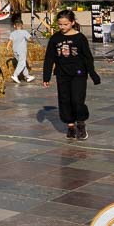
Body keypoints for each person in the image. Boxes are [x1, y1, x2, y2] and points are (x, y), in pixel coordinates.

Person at [43, 9, 100, 140]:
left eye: (65, 24)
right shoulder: (55, 38)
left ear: (72, 23)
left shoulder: (80, 38)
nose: (62, 27)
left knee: (77, 100)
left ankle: (80, 124)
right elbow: (49, 58)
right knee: (64, 100)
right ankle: (70, 126)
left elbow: (87, 58)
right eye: (60, 24)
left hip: (78, 74)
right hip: (62, 74)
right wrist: (46, 76)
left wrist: (93, 74)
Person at [7, 15, 35, 83]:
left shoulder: (12, 33)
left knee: (22, 63)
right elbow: (29, 39)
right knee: (22, 63)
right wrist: (32, 40)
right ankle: (15, 75)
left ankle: (27, 76)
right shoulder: (24, 32)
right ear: (22, 25)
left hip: (15, 51)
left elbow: (10, 41)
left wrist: (7, 47)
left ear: (14, 26)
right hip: (22, 51)